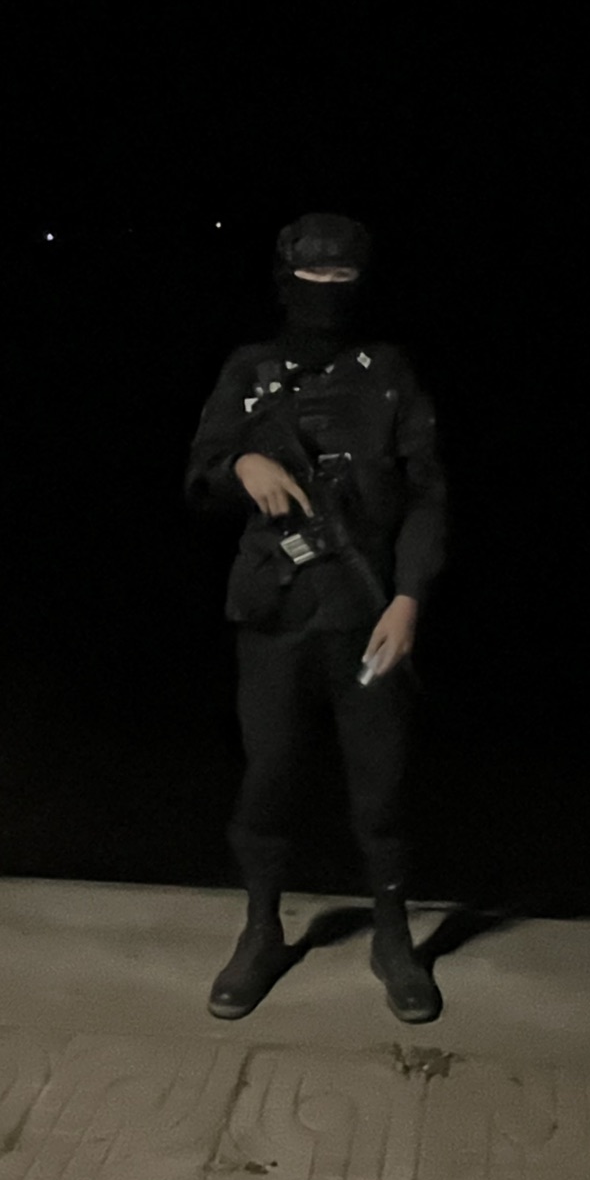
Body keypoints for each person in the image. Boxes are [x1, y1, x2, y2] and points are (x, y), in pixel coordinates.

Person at [185, 214, 448, 1023]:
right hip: (275, 617)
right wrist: (242, 462)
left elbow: (427, 494)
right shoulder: (251, 371)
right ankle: (262, 931)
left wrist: (409, 597)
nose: (326, 293)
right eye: (313, 278)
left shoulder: (388, 374)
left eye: (342, 279)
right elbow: (199, 475)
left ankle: (393, 938)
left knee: (382, 788)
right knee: (268, 780)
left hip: (369, 618)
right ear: (285, 280)